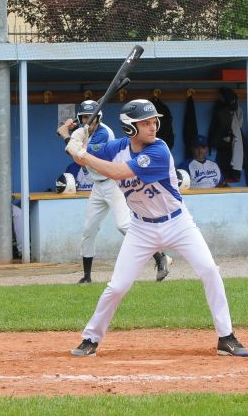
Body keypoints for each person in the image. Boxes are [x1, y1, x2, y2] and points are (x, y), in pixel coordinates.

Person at [58, 99, 248, 358]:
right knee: (117, 286)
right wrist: (75, 140)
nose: (153, 127)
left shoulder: (159, 151)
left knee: (209, 269)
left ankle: (226, 337)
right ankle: (90, 338)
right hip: (141, 228)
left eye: (153, 122)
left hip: (177, 222)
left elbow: (116, 172)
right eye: (145, 123)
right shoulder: (116, 147)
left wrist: (82, 152)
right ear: (129, 129)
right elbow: (84, 161)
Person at [60, 100, 172, 284]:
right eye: (85, 118)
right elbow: (77, 148)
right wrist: (73, 132)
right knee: (89, 229)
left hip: (113, 182)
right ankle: (87, 276)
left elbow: (82, 154)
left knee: (123, 225)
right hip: (97, 186)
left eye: (92, 117)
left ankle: (161, 257)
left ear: (99, 117)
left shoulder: (104, 133)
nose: (89, 121)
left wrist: (67, 135)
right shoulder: (85, 130)